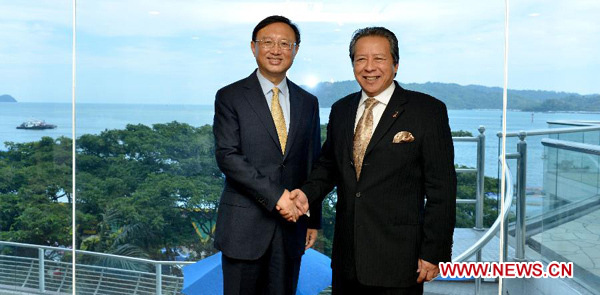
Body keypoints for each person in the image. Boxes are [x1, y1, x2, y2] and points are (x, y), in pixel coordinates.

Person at [290, 27, 457, 294]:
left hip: (400, 259)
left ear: (395, 64)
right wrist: (306, 195)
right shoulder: (341, 109)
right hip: (347, 258)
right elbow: (329, 165)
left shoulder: (427, 111)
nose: (369, 68)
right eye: (360, 59)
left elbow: (442, 190)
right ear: (353, 64)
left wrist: (433, 251)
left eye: (378, 59)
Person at [212, 15, 322, 295]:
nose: (276, 50)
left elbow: (313, 162)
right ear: (253, 47)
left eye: (285, 43)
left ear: (295, 50)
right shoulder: (230, 96)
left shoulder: (308, 102)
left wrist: (312, 218)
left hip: (292, 228)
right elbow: (228, 157)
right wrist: (277, 197)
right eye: (268, 42)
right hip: (243, 229)